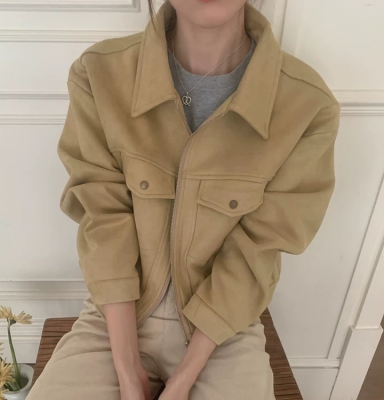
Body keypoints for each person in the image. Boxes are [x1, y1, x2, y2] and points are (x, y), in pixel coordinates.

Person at [26, 0, 341, 399]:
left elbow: (259, 251)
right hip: (117, 317)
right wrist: (127, 369)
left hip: (223, 329)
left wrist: (183, 379)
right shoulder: (100, 74)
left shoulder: (307, 105)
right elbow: (104, 221)